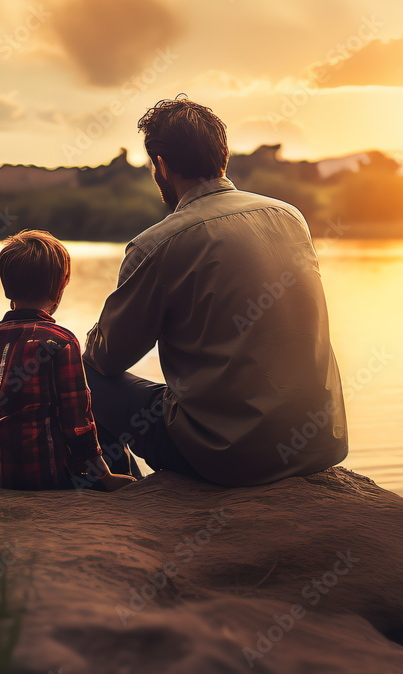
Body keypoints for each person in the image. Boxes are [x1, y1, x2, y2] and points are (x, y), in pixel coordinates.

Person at [84, 94, 347, 486]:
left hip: (228, 457)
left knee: (81, 370)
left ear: (161, 165)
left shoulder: (158, 243)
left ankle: (116, 493)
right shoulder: (290, 216)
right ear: (221, 155)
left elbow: (107, 358)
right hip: (320, 444)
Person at [0, 229, 135, 491]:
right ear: (59, 288)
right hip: (50, 476)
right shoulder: (61, 341)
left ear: (6, 287)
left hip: (1, 473)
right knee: (102, 413)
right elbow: (77, 421)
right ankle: (118, 479)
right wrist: (104, 476)